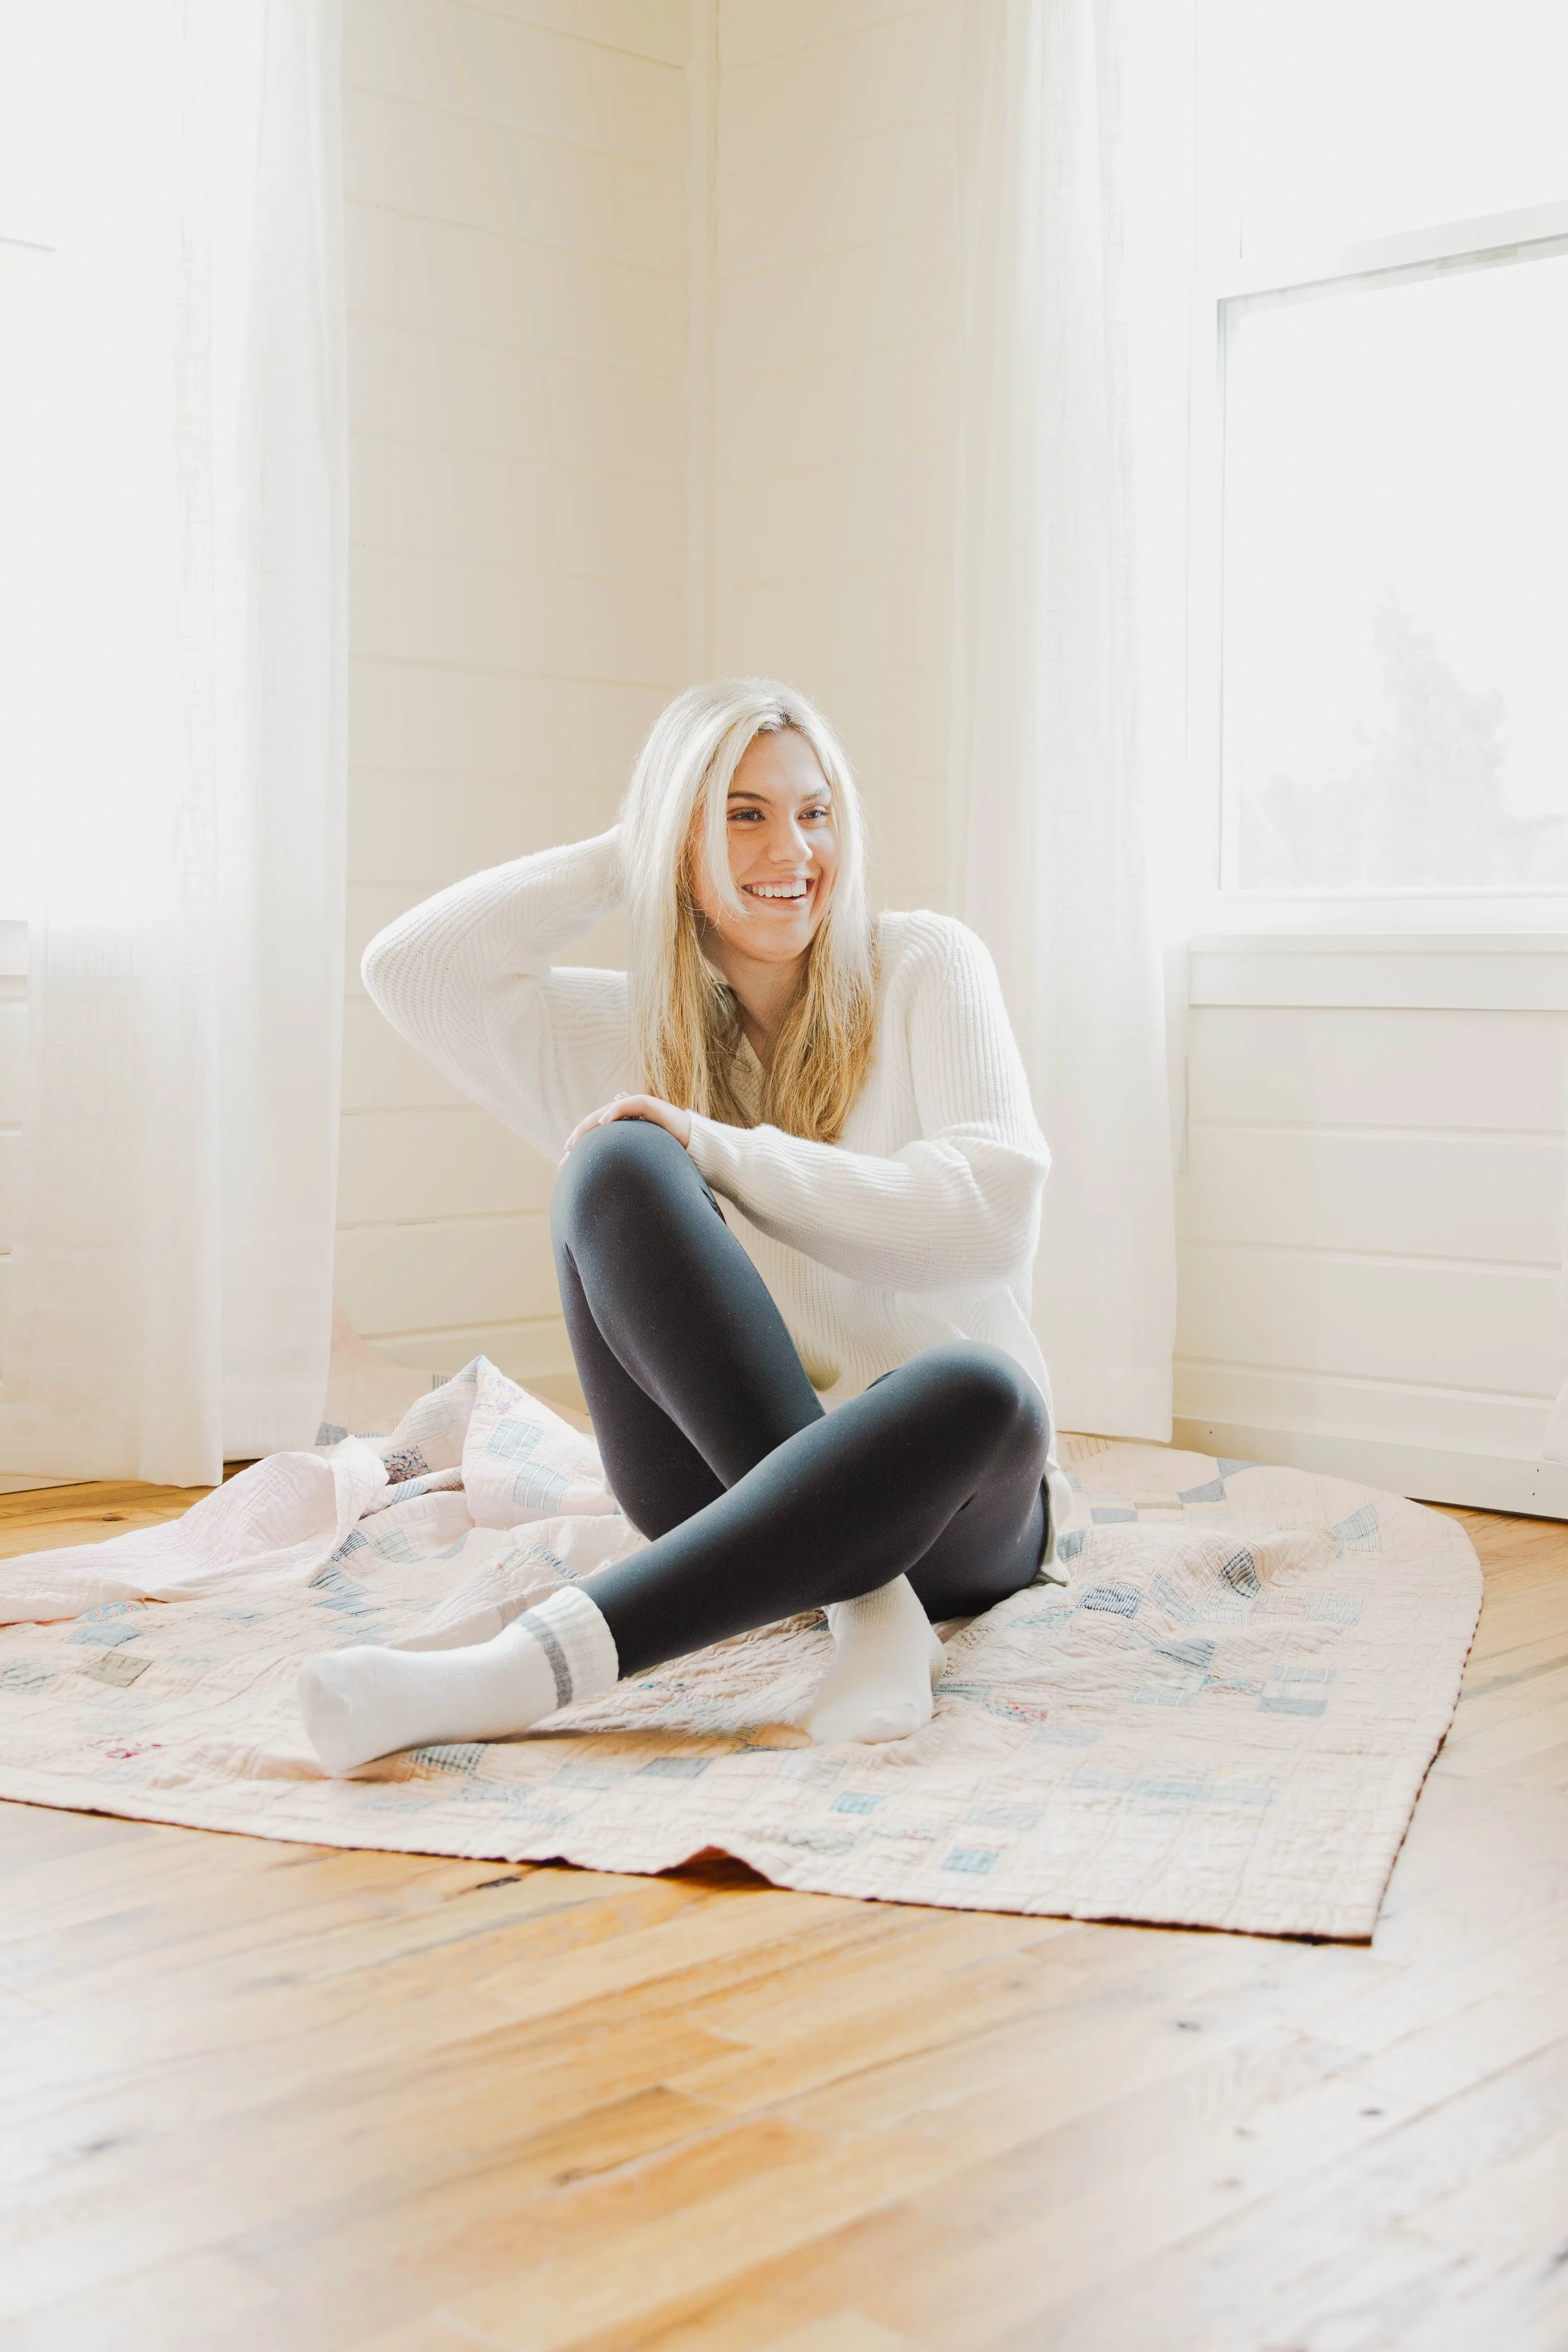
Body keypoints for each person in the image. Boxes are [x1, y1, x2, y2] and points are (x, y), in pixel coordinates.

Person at [299, 679, 1070, 1774]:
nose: (792, 847)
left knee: (986, 1391)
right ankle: (865, 1602)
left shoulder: (926, 966)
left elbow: (989, 1216)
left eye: (814, 811)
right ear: (680, 844)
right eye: (741, 813)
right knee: (614, 1161)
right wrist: (641, 841)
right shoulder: (630, 1027)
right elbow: (414, 969)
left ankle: (507, 1678)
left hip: (943, 1497)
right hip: (718, 1485)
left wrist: (725, 1149)